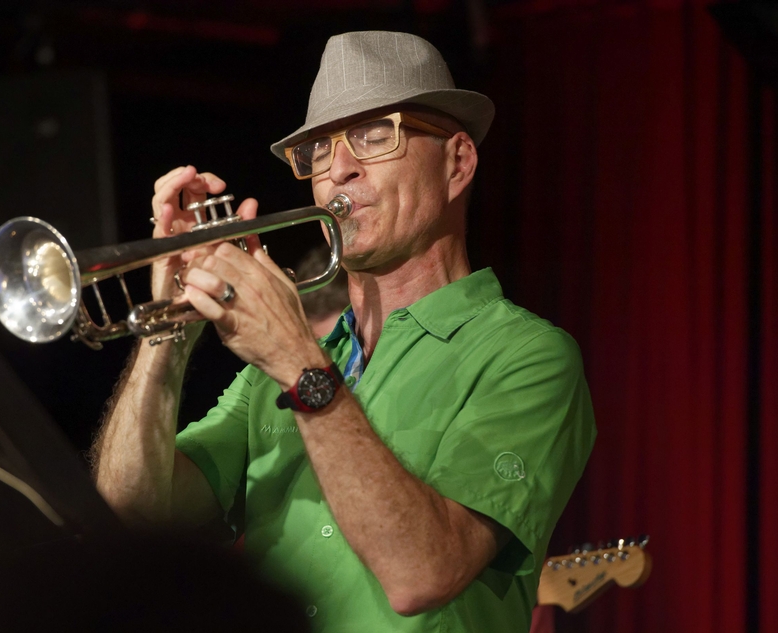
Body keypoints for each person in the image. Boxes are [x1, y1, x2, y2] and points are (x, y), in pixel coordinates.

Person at [92, 31, 596, 632]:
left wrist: (298, 361)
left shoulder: (527, 356)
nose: (338, 170)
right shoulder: (273, 374)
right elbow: (132, 514)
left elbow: (424, 574)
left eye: (375, 135)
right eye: (319, 151)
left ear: (457, 162)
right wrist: (165, 333)